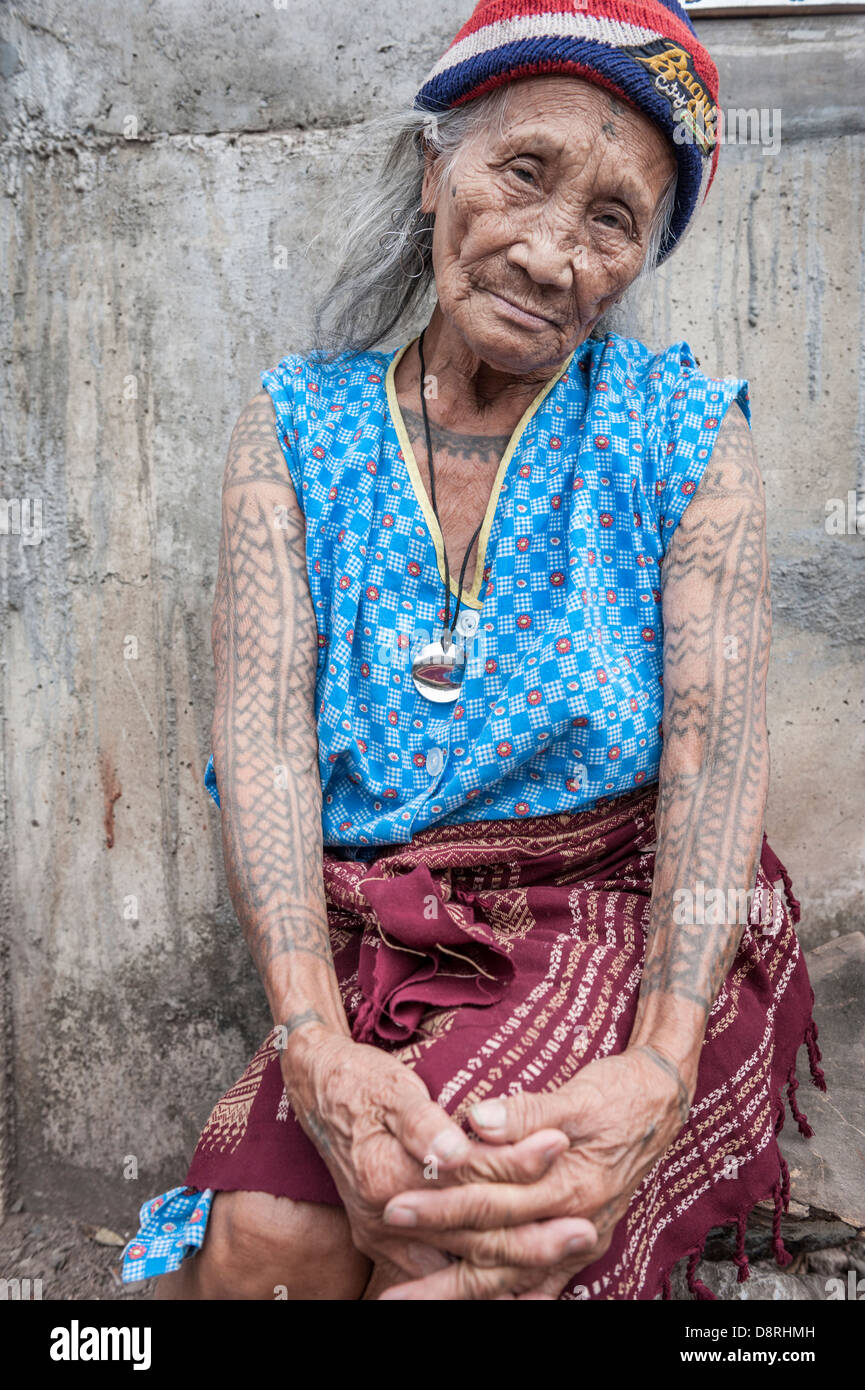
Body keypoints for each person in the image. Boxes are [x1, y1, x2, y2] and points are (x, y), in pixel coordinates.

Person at [121, 0, 824, 1301]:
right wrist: (313, 1043)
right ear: (436, 163)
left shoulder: (679, 431)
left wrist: (657, 1066)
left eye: (612, 218)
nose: (552, 252)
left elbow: (714, 766)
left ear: (637, 258)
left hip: (607, 908)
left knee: (460, 1235)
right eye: (523, 172)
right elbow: (266, 751)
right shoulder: (297, 425)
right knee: (266, 1250)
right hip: (372, 927)